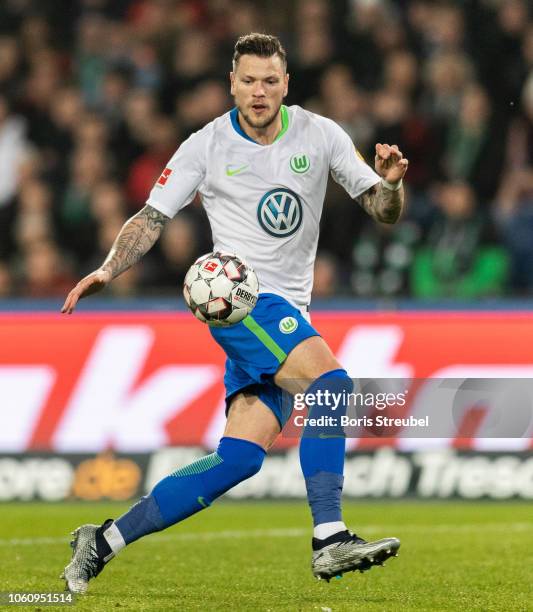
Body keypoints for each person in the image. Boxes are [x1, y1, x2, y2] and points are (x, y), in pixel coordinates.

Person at [60, 33, 408, 594]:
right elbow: (152, 217)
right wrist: (108, 269)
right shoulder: (206, 144)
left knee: (239, 458)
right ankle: (330, 537)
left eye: (270, 81)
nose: (259, 91)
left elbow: (381, 209)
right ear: (232, 83)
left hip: (287, 312)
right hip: (239, 301)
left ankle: (101, 541)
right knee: (331, 386)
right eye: (248, 80)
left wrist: (390, 184)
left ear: (286, 84)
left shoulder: (320, 134)